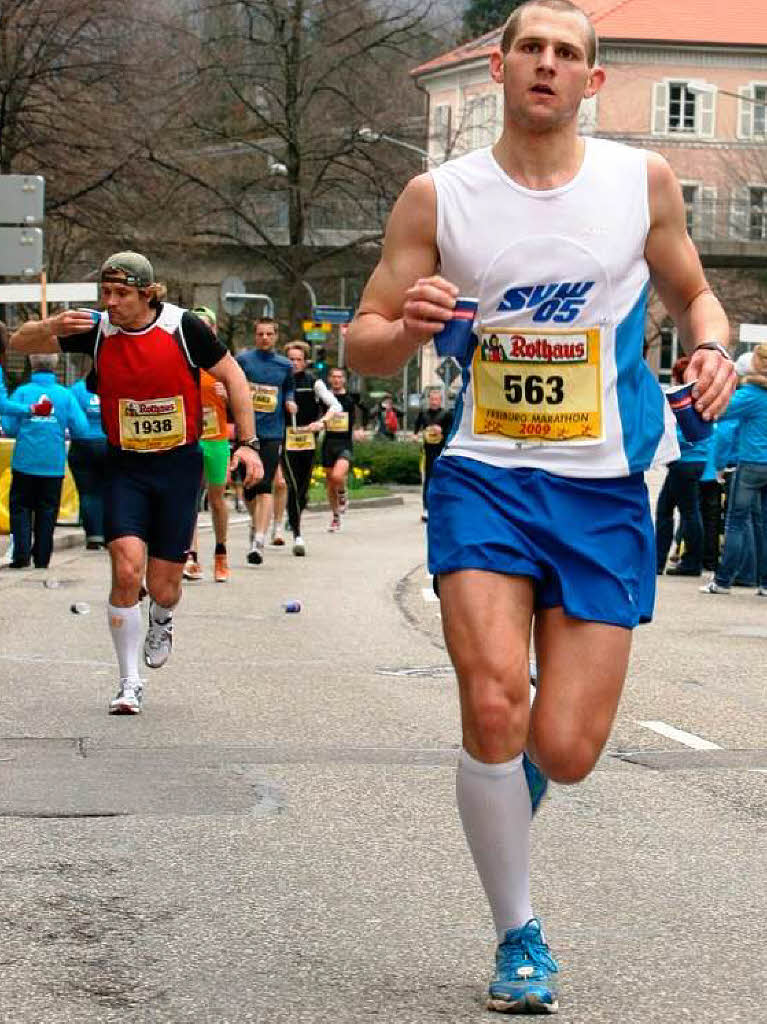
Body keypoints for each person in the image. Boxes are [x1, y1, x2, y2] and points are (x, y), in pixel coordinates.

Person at [346, 1, 735, 1013]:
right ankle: (517, 932)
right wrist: (406, 330)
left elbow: (695, 293)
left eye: (567, 54)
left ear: (591, 82)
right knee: (489, 704)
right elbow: (364, 338)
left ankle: (509, 782)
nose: (546, 66)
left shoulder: (636, 181)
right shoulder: (438, 195)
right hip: (483, 474)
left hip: (603, 484)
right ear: (499, 68)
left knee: (562, 747)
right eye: (530, 48)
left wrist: (707, 345)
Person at [10, 251, 262, 715]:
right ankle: (129, 682)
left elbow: (235, 378)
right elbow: (18, 342)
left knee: (163, 587)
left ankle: (161, 619)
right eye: (105, 292)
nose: (111, 302)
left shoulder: (184, 327)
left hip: (178, 465)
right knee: (126, 570)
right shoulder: (96, 328)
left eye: (121, 294)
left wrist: (248, 443)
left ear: (147, 294)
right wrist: (51, 327)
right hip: (124, 465)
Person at [1, 354, 89, 569]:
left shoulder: (22, 393)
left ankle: (20, 554)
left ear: (31, 365)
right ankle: (42, 557)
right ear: (55, 365)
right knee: (48, 510)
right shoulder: (65, 395)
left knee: (20, 508)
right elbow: (81, 428)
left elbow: (10, 427)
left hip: (25, 461)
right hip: (52, 464)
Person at [700, 343, 767, 597]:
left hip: (751, 462)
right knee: (764, 525)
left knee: (736, 523)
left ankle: (724, 580)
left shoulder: (752, 394)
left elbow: (722, 411)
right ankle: (765, 583)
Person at [236, 317, 297, 565]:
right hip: (247, 433)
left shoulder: (284, 365)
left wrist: (290, 400)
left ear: (276, 337)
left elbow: (289, 388)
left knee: (265, 485)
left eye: (269, 334)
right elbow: (234, 386)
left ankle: (258, 541)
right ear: (255, 336)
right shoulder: (243, 361)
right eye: (260, 334)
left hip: (273, 433)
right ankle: (256, 523)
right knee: (249, 486)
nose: (264, 338)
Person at [182, 307, 232, 582]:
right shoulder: (181, 359)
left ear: (213, 330)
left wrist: (230, 396)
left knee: (216, 499)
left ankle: (221, 553)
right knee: (190, 496)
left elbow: (242, 403)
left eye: (205, 325)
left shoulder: (222, 363)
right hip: (190, 438)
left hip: (216, 439)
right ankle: (191, 556)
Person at [282, 341, 341, 554]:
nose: (294, 363)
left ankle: (295, 514)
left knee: (303, 488)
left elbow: (335, 405)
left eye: (298, 359)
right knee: (291, 484)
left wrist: (322, 422)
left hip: (307, 439)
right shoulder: (281, 380)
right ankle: (298, 535)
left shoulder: (313, 382)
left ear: (305, 362)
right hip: (285, 438)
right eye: (291, 359)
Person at [655, 357, 709, 576]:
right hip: (696, 461)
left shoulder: (684, 399)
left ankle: (686, 562)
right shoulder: (703, 396)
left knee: (683, 512)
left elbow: (685, 433)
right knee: (675, 510)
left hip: (684, 462)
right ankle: (681, 560)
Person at [68, 373, 108, 549]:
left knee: (87, 492)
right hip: (108, 443)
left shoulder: (76, 390)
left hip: (82, 443)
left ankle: (93, 535)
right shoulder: (113, 384)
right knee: (111, 490)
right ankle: (111, 533)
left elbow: (73, 418)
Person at [322, 367, 361, 532]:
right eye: (334, 377)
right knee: (331, 483)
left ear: (344, 380)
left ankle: (343, 493)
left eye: (340, 377)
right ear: (330, 379)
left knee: (338, 475)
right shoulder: (325, 398)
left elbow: (363, 412)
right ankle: (335, 517)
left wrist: (360, 428)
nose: (337, 380)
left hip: (344, 443)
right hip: (328, 442)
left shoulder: (351, 398)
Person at [414, 387, 453, 522]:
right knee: (428, 480)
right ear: (429, 400)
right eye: (432, 399)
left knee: (442, 479)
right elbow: (417, 426)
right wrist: (415, 435)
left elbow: (451, 432)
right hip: (427, 452)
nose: (434, 402)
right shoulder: (423, 414)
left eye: (436, 399)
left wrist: (441, 430)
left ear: (440, 401)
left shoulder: (446, 414)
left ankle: (442, 508)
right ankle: (426, 508)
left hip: (441, 453)